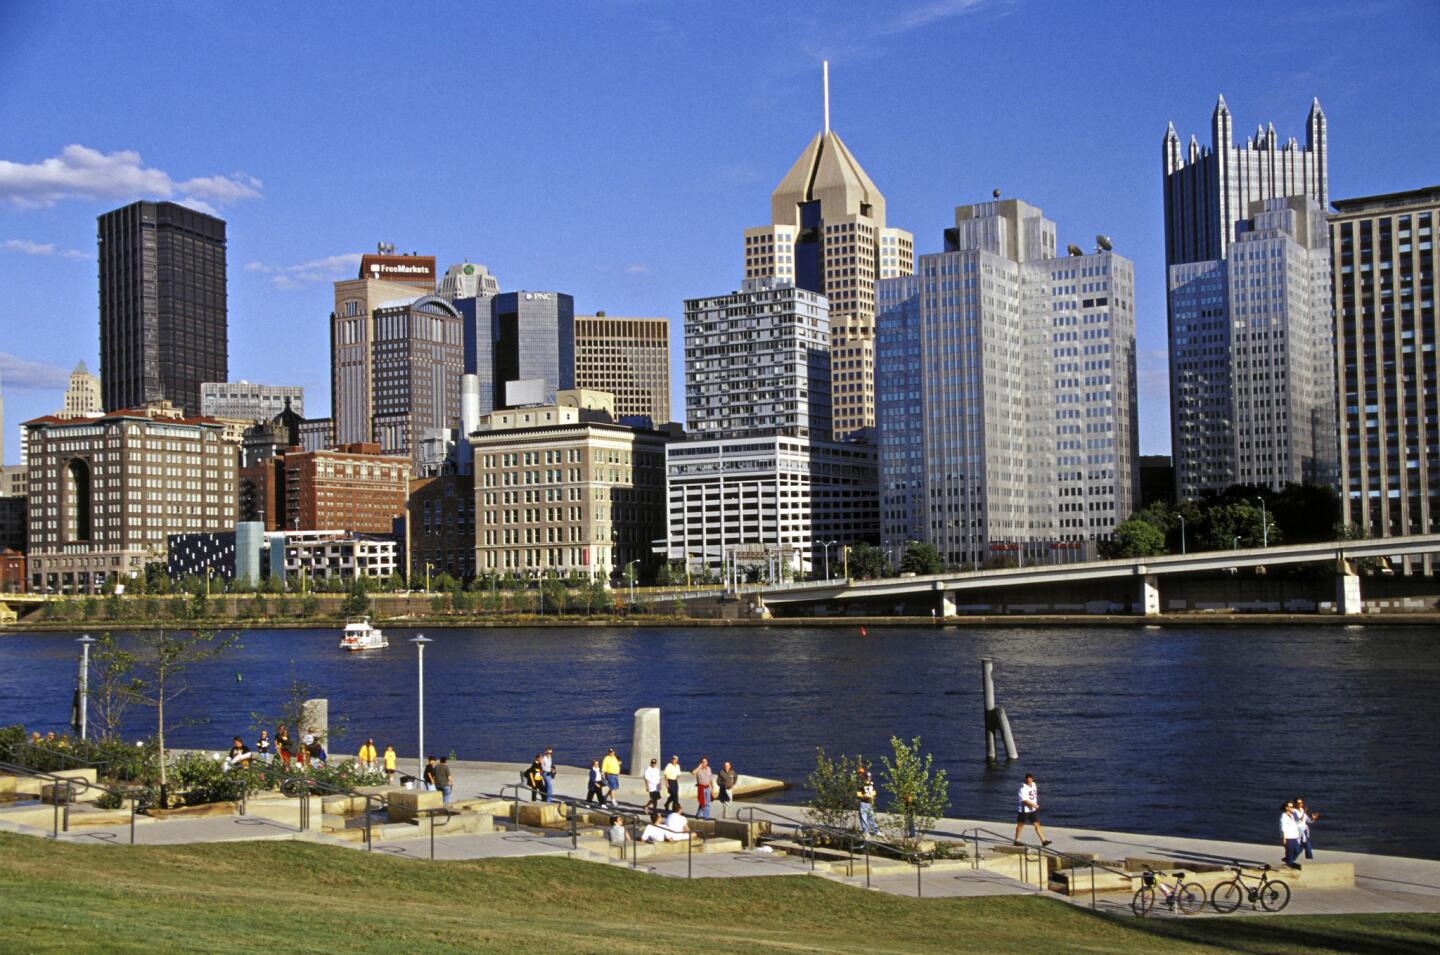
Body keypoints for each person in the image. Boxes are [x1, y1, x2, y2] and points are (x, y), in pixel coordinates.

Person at [1013, 773, 1051, 847]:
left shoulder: (1034, 784)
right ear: (1025, 779)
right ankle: (1016, 840)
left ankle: (1043, 841)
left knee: (1037, 824)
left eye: (1030, 778)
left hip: (1032, 810)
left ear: (1032, 779)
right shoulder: (1023, 788)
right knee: (1020, 825)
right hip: (1024, 810)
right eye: (1027, 778)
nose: (1029, 780)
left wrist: (1034, 805)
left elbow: (1034, 796)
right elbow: (1024, 801)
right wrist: (1034, 805)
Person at [856, 767, 879, 835]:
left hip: (869, 802)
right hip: (863, 802)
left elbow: (873, 792)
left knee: (871, 817)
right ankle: (866, 831)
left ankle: (876, 831)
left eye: (869, 777)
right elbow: (858, 794)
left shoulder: (871, 783)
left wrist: (873, 796)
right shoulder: (860, 784)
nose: (869, 778)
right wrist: (864, 796)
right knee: (864, 818)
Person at [1280, 800, 1303, 869]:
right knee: (1290, 852)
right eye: (1290, 807)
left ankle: (1288, 860)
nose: (1292, 808)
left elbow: (1299, 821)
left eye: (1292, 807)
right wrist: (1284, 839)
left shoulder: (1292, 815)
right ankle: (1289, 864)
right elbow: (1283, 828)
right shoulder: (1283, 816)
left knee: (1298, 850)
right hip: (1288, 837)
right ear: (1286, 808)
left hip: (1294, 836)